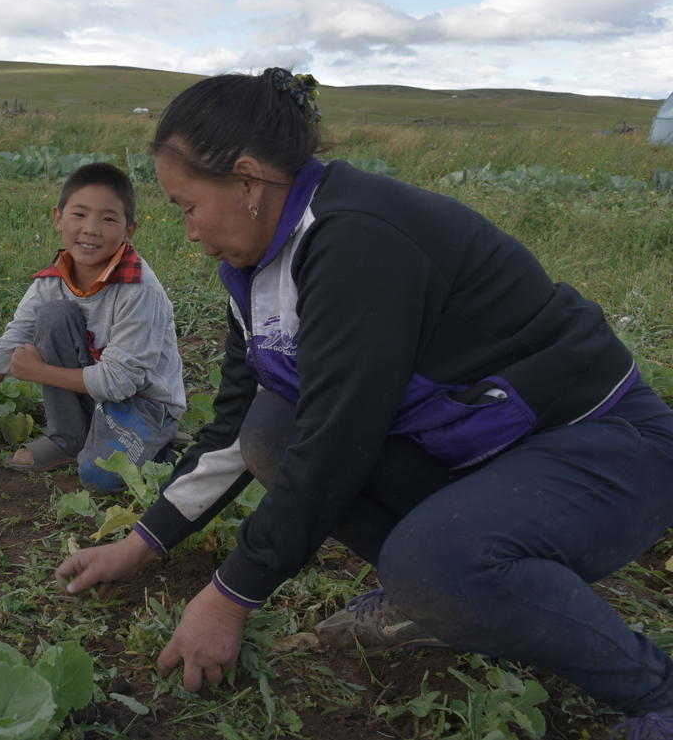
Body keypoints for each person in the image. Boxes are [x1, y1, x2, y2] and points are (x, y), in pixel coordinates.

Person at [54, 68, 673, 735]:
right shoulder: (257, 270)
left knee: (431, 559)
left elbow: (335, 446)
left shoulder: (357, 242)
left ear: (247, 180)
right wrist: (143, 543)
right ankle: (435, 602)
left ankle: (652, 689)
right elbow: (234, 430)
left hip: (606, 450)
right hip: (492, 451)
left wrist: (230, 597)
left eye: (187, 205)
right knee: (271, 431)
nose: (189, 231)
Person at [0, 162, 186, 492]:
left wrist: (38, 372)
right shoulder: (51, 282)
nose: (91, 229)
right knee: (53, 316)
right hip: (93, 391)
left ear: (129, 230)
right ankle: (69, 438)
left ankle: (161, 437)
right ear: (58, 219)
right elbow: (8, 347)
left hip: (143, 400)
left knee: (102, 475)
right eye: (79, 214)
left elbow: (119, 383)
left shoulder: (140, 291)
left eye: (108, 218)